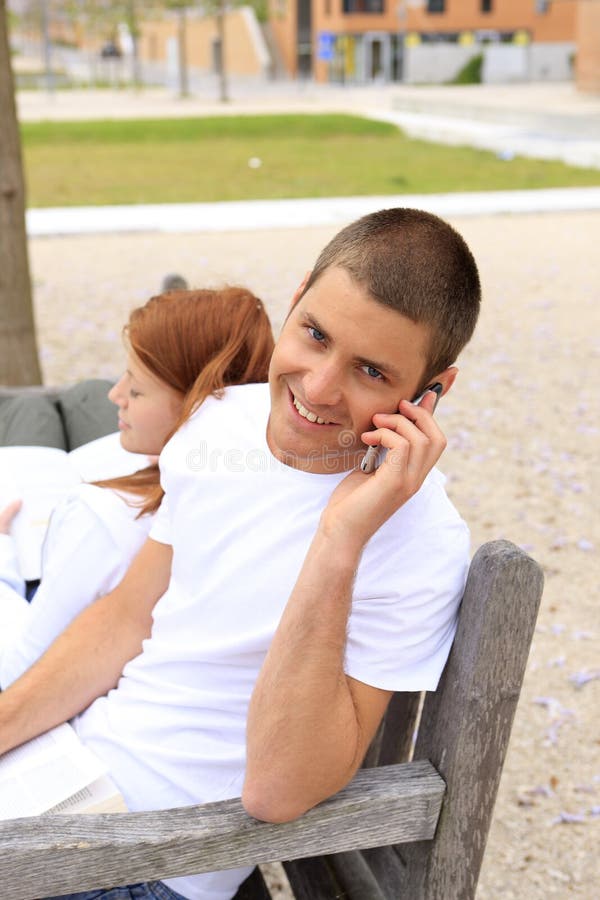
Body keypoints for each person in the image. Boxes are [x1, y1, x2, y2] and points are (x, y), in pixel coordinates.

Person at [0, 208, 481, 900]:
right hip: (62, 778)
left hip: (151, 863)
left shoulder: (421, 541)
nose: (316, 389)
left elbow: (278, 790)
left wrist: (338, 540)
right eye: (314, 334)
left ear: (431, 394)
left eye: (371, 371)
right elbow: (126, 618)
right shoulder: (220, 419)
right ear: (296, 297)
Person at [0, 286, 275, 687]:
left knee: (32, 407)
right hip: (128, 461)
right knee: (86, 396)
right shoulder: (253, 488)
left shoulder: (103, 519)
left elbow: (21, 666)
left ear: (196, 406)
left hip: (34, 592)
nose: (118, 394)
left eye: (136, 389)